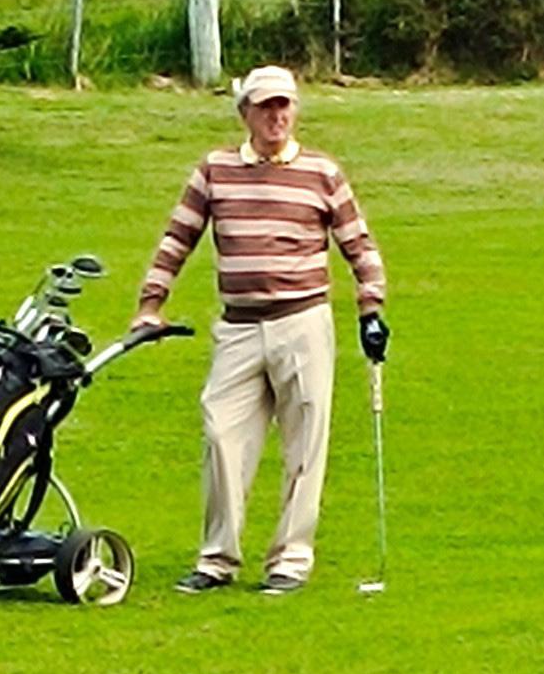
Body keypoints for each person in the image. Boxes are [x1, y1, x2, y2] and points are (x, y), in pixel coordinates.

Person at [132, 65, 389, 595]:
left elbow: (358, 244)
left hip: (303, 321)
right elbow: (178, 238)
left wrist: (371, 308)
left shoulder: (321, 172)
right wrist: (150, 304)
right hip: (239, 327)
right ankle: (217, 558)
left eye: (284, 106)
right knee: (221, 435)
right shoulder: (216, 170)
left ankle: (291, 560)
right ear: (244, 113)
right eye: (265, 107)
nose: (276, 117)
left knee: (305, 443)